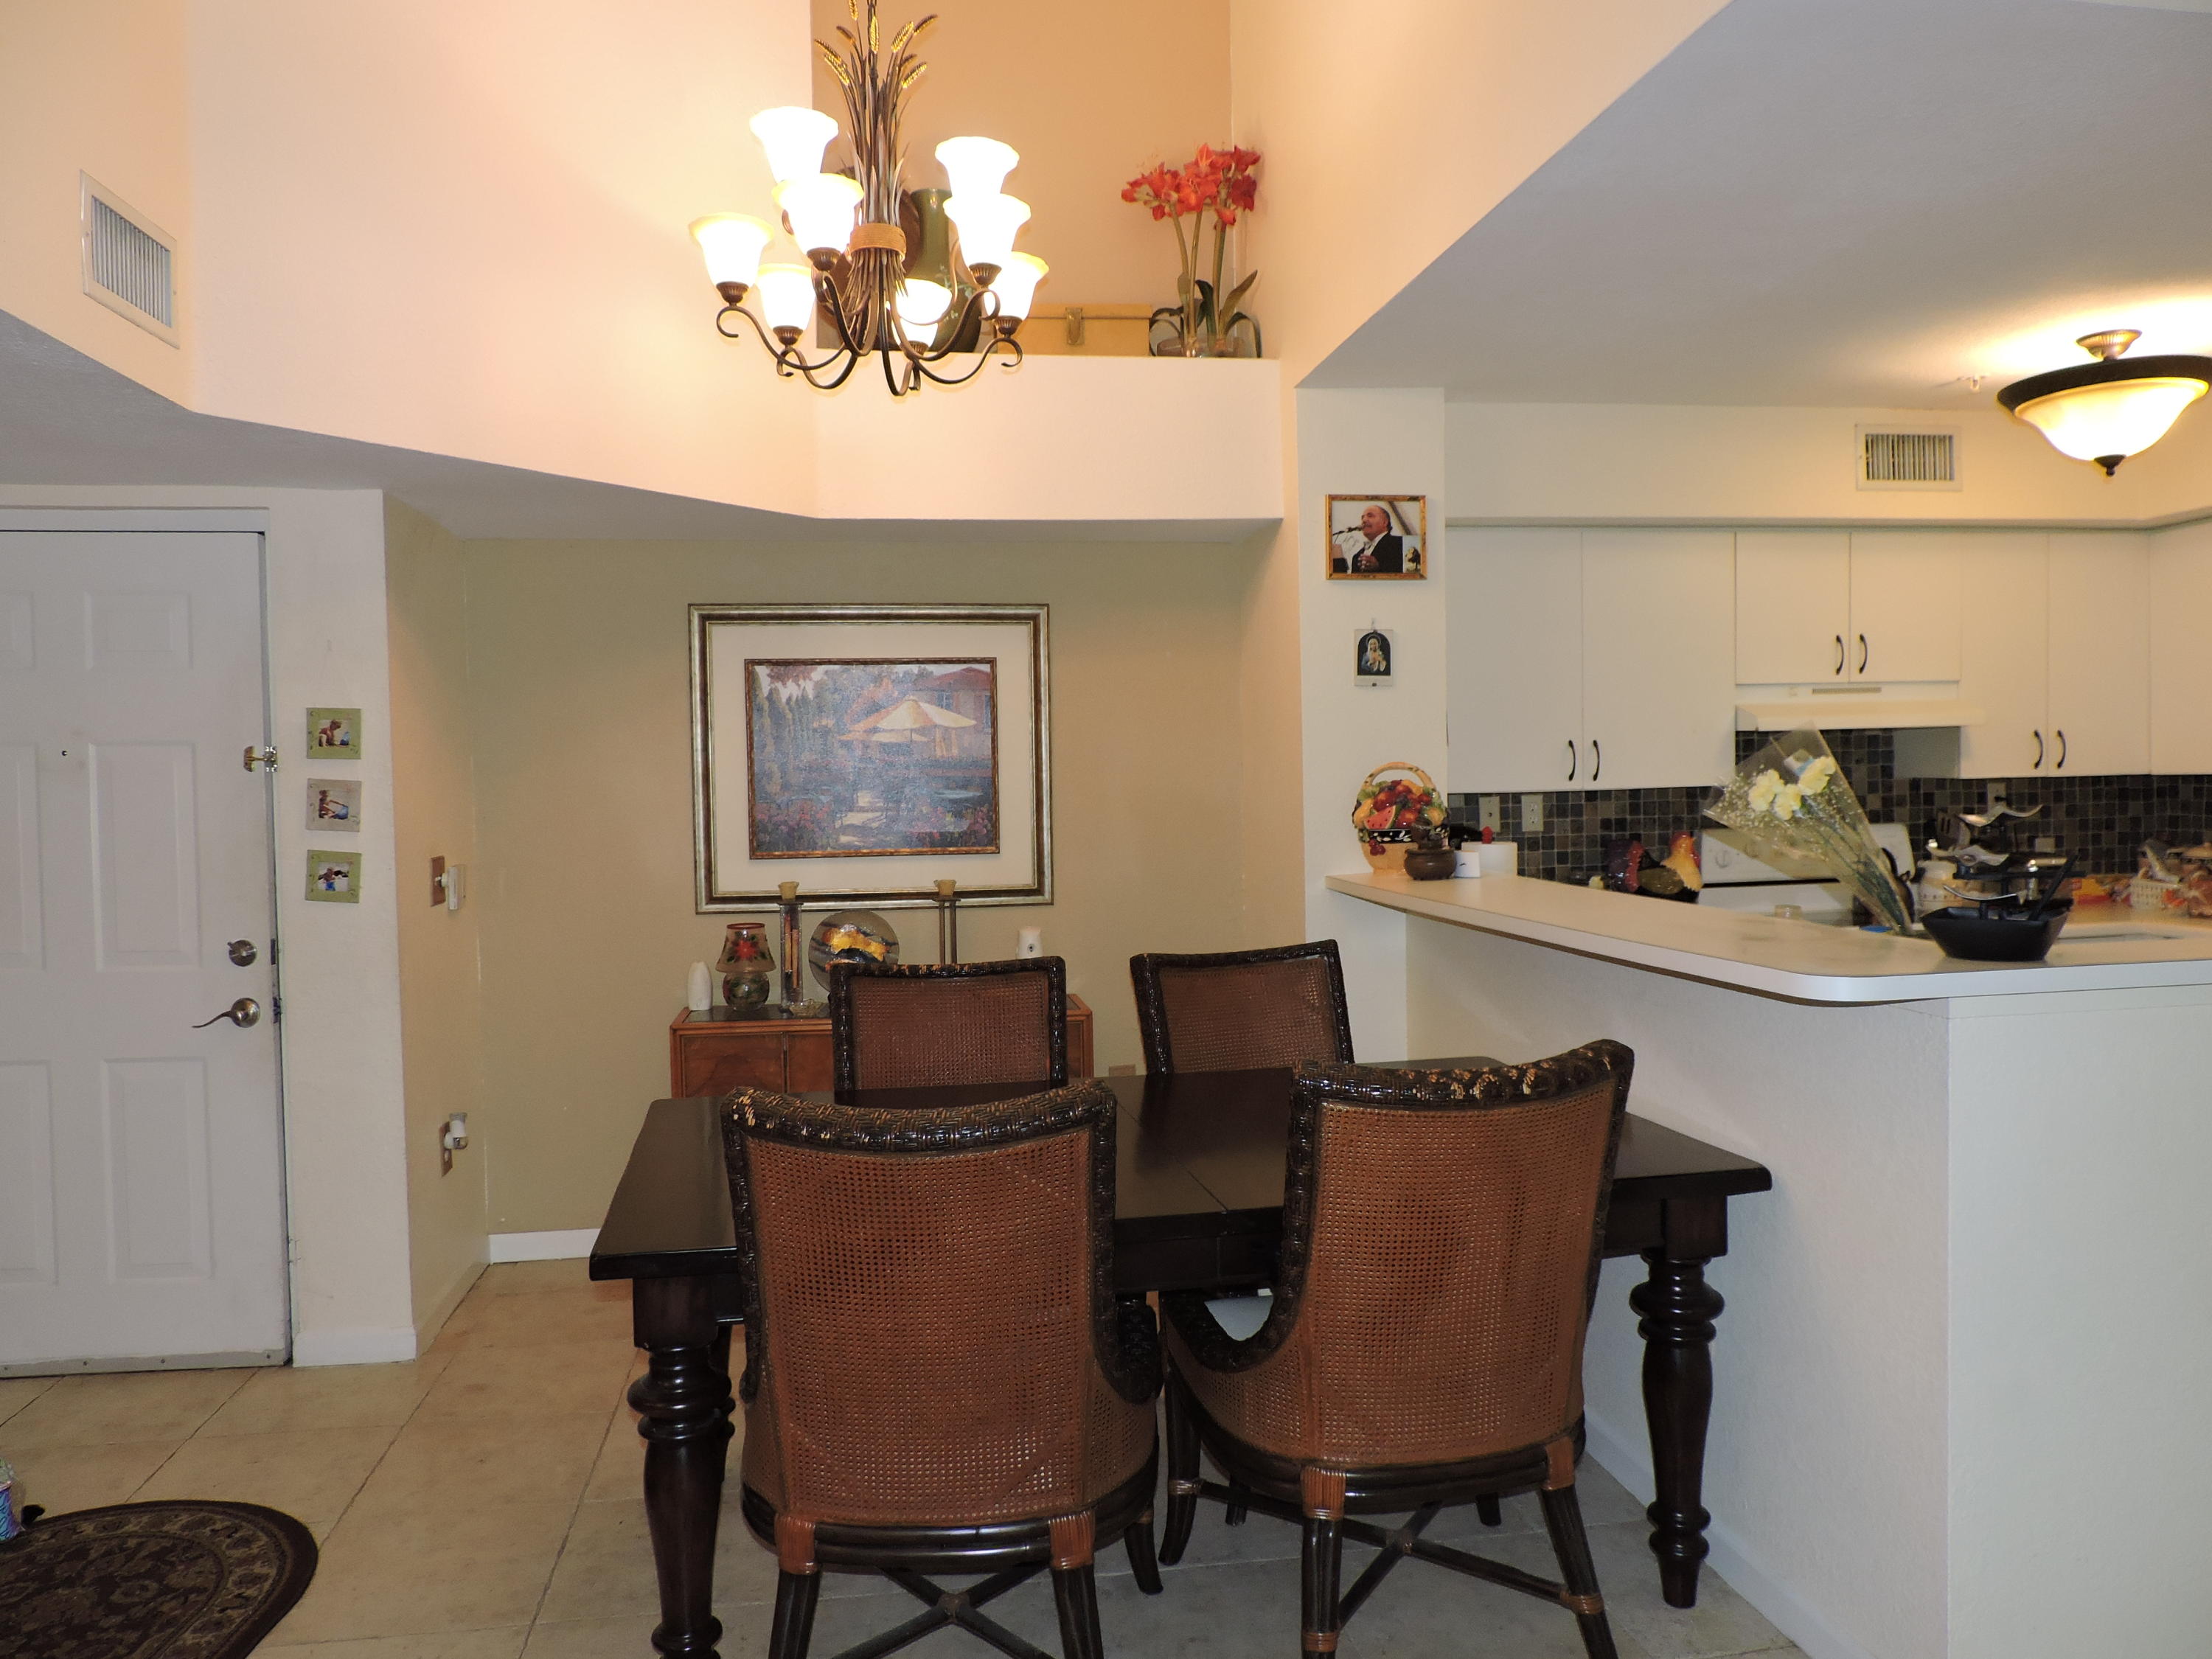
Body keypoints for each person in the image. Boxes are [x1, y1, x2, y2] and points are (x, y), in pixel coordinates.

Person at [1331, 502, 1409, 574]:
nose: (1364, 520)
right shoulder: (1357, 556)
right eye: (1362, 518)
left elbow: (1409, 572)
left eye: (1370, 516)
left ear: (1385, 522)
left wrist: (1379, 567)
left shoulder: (1401, 543)